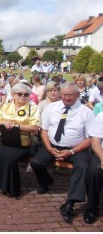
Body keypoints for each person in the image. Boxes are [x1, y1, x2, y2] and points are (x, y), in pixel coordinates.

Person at [30, 82, 94, 224]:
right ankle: (45, 182)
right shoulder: (51, 108)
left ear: (77, 95)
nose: (67, 98)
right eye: (64, 94)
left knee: (83, 167)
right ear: (60, 94)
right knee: (36, 162)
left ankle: (70, 203)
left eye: (70, 95)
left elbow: (90, 138)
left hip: (77, 148)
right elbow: (44, 130)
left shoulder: (86, 112)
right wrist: (49, 148)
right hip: (53, 144)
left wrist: (71, 151)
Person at [0, 83, 39, 197]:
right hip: (7, 140)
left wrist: (18, 126)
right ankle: (0, 185)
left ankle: (11, 188)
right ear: (13, 95)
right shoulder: (5, 106)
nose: (23, 96)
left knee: (10, 159)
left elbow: (35, 128)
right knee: (0, 156)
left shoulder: (32, 108)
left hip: (22, 142)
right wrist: (5, 122)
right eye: (20, 94)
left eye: (26, 94)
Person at [85, 112, 103, 224]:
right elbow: (95, 141)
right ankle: (92, 208)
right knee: (94, 172)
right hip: (102, 152)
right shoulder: (101, 116)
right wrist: (102, 158)